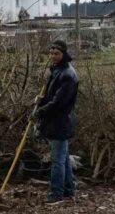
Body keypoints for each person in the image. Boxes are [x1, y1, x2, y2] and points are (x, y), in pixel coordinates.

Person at [34, 40, 79, 205]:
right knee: (64, 158)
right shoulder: (57, 70)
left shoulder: (68, 75)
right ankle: (68, 191)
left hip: (60, 121)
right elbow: (51, 96)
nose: (53, 56)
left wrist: (40, 111)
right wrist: (41, 99)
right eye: (51, 53)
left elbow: (58, 102)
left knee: (57, 161)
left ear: (64, 54)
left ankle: (56, 194)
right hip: (57, 120)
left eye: (56, 53)